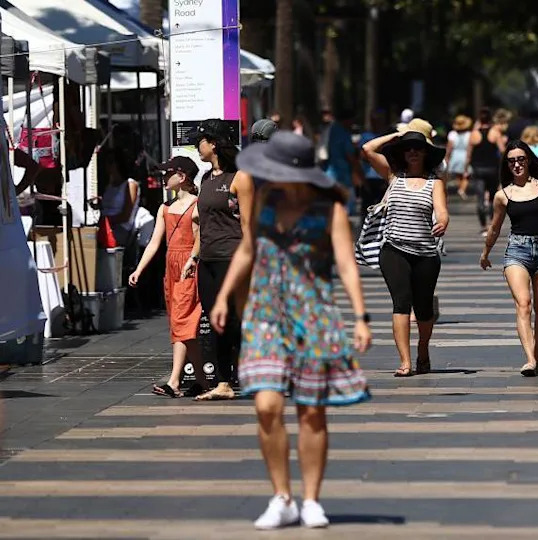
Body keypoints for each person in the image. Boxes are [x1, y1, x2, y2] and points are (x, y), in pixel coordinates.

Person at [208, 131, 371, 529]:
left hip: (314, 316)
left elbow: (346, 264)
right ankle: (282, 497)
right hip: (266, 314)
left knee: (312, 412)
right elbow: (247, 249)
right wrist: (223, 296)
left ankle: (311, 499)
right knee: (266, 406)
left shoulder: (329, 209)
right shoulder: (264, 202)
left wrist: (361, 316)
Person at [361, 124, 449, 377]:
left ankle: (423, 349)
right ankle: (405, 361)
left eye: (418, 148)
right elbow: (367, 149)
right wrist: (398, 136)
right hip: (394, 249)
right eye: (407, 148)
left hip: (425, 254)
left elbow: (442, 210)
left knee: (423, 308)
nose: (412, 152)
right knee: (401, 302)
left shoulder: (435, 183)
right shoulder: (393, 175)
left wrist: (442, 221)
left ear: (425, 154)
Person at [183, 119, 254, 401]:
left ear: (213, 144)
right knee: (215, 321)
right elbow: (203, 223)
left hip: (232, 256)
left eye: (200, 141)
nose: (196, 146)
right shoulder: (206, 179)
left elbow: (248, 223)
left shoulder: (240, 178)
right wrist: (194, 256)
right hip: (208, 259)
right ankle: (224, 383)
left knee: (234, 320)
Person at [480, 141, 538, 377]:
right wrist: (485, 253)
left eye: (521, 159)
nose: (517, 164)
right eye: (512, 161)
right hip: (517, 250)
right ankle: (530, 359)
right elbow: (494, 228)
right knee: (523, 304)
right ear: (507, 165)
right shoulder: (503, 195)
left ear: (529, 161)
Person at [129, 156, 203, 398]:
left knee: (181, 320)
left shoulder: (197, 206)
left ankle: (174, 381)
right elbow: (153, 243)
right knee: (179, 323)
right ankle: (202, 380)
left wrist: (192, 260)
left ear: (182, 177)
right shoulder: (165, 208)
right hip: (170, 266)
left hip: (187, 267)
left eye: (167, 173)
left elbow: (201, 240)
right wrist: (139, 269)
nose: (162, 177)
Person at [465, 107, 505, 235]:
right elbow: (502, 150)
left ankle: (483, 225)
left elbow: (469, 154)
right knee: (493, 197)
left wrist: (466, 168)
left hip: (478, 170)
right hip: (493, 169)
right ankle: (492, 224)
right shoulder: (495, 133)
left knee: (480, 198)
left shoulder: (474, 134)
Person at [324, 110, 363, 214]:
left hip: (329, 174)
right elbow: (350, 156)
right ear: (347, 120)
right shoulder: (344, 134)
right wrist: (360, 174)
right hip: (342, 177)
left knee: (332, 209)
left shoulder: (331, 130)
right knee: (344, 211)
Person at [99, 150, 140, 247]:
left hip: (120, 228)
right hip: (105, 225)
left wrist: (105, 221)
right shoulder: (109, 186)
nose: (107, 166)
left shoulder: (130, 185)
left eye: (110, 162)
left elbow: (125, 216)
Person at [445, 114, 473, 199]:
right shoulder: (469, 134)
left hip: (455, 155)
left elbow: (449, 147)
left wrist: (447, 157)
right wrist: (469, 157)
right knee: (467, 174)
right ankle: (462, 189)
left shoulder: (452, 134)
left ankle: (461, 188)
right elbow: (469, 147)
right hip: (464, 154)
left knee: (459, 174)